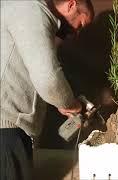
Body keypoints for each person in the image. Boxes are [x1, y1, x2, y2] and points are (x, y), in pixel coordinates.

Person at [0, 0, 94, 179]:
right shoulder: (31, 9)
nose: (77, 33)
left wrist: (60, 102)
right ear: (71, 4)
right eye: (80, 24)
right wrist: (72, 105)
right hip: (5, 135)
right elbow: (48, 78)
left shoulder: (24, 10)